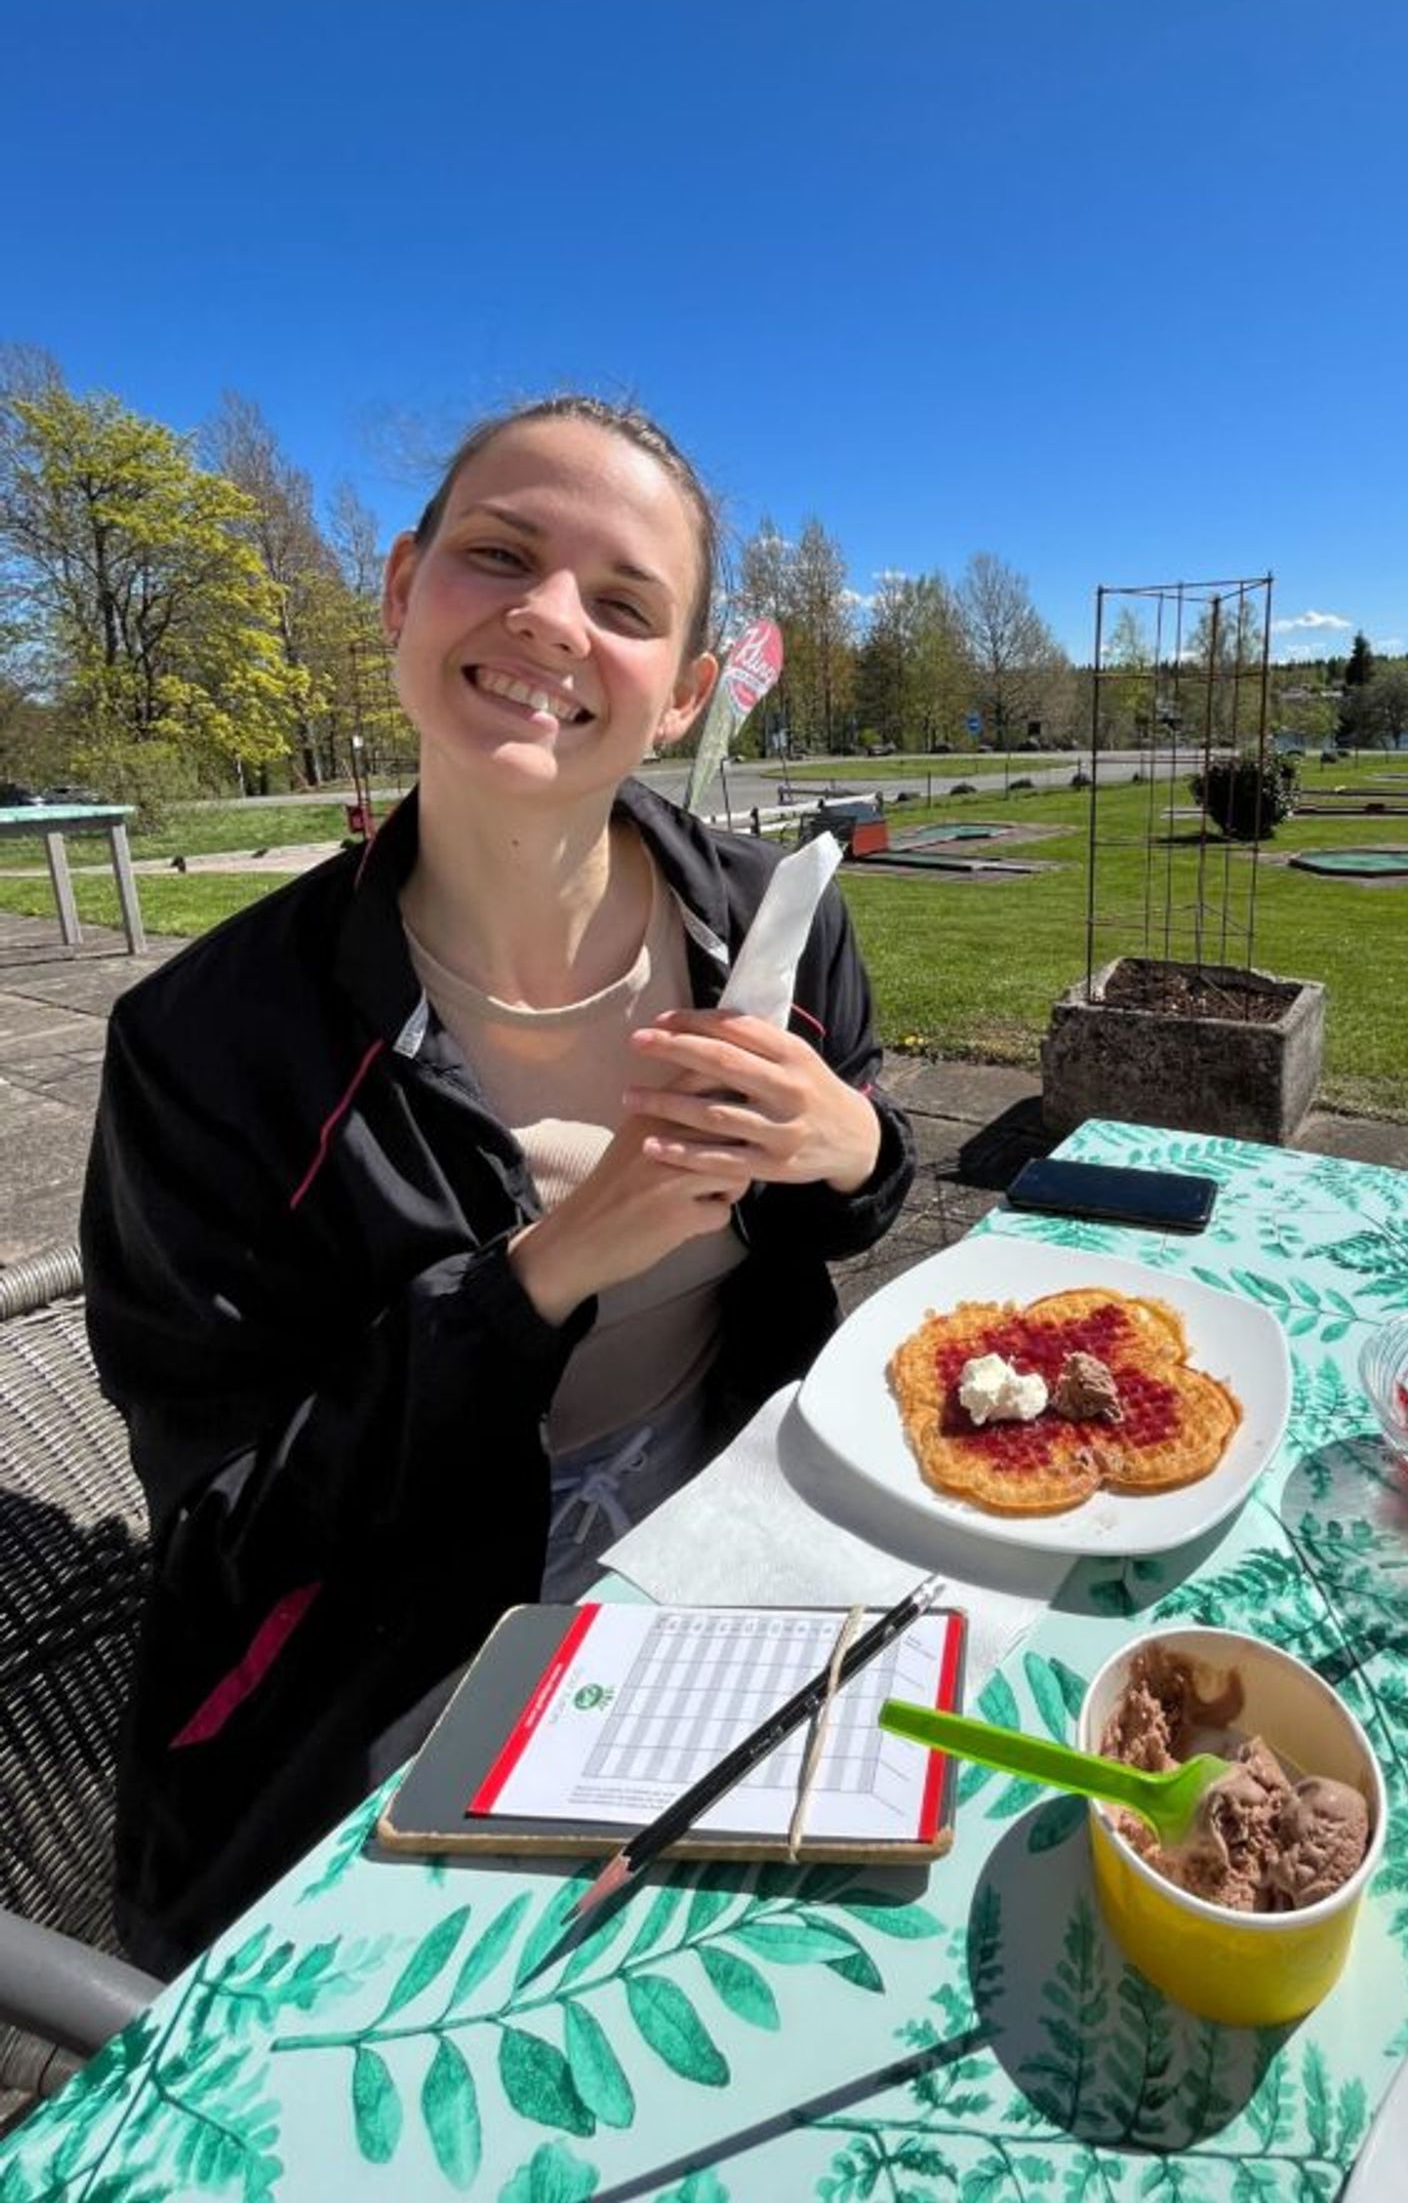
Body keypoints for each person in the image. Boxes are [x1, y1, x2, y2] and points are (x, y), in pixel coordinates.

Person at [81, 394, 914, 1974]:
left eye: (622, 604)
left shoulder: (769, 928)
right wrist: (545, 1272)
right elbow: (229, 1532)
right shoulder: (207, 1048)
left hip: (749, 1537)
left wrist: (849, 1149)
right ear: (402, 592)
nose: (547, 619)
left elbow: (848, 1203)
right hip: (396, 1657)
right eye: (500, 556)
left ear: (677, 694)